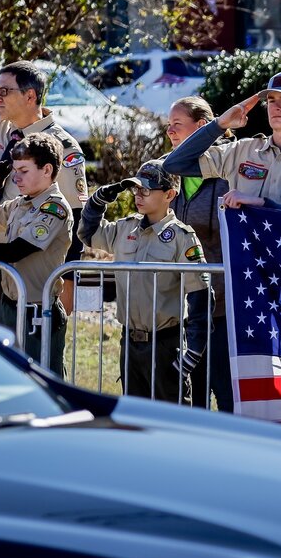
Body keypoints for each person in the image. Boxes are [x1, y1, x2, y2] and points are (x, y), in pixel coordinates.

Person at [0, 61, 87, 320]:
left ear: (30, 96)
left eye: (4, 91)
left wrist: (67, 280)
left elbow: (77, 216)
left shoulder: (63, 146)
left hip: (26, 265)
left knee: (24, 348)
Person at [79, 160, 211, 404]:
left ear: (169, 194)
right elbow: (88, 234)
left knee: (171, 421)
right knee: (134, 419)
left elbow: (200, 294)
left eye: (147, 190)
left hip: (165, 344)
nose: (139, 195)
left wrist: (193, 350)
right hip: (130, 343)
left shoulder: (182, 237)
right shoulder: (125, 228)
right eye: (136, 189)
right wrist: (97, 202)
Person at [163, 71, 281, 217]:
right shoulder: (243, 150)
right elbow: (175, 164)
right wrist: (219, 124)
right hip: (244, 259)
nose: (276, 107)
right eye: (272, 100)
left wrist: (261, 204)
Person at [0, 133, 72, 373]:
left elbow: (18, 250)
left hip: (37, 312)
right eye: (14, 170)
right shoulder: (21, 204)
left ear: (46, 170)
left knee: (41, 381)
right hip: (10, 306)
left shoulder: (54, 207)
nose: (16, 177)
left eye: (23, 170)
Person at [163, 96, 234, 411]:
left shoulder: (229, 172)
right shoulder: (170, 172)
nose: (170, 133)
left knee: (227, 395)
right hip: (183, 309)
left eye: (177, 125)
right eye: (168, 126)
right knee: (191, 399)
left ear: (203, 128)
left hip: (221, 309)